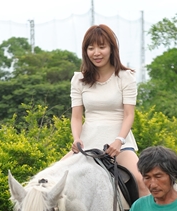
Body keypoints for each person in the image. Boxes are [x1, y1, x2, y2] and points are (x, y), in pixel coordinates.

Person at [64, 24, 149, 197]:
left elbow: (128, 114)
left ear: (111, 49)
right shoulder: (78, 79)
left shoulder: (126, 77)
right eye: (91, 48)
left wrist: (119, 141)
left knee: (142, 181)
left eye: (102, 47)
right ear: (85, 51)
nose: (96, 52)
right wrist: (77, 139)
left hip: (119, 144)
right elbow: (77, 117)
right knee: (51, 178)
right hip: (87, 144)